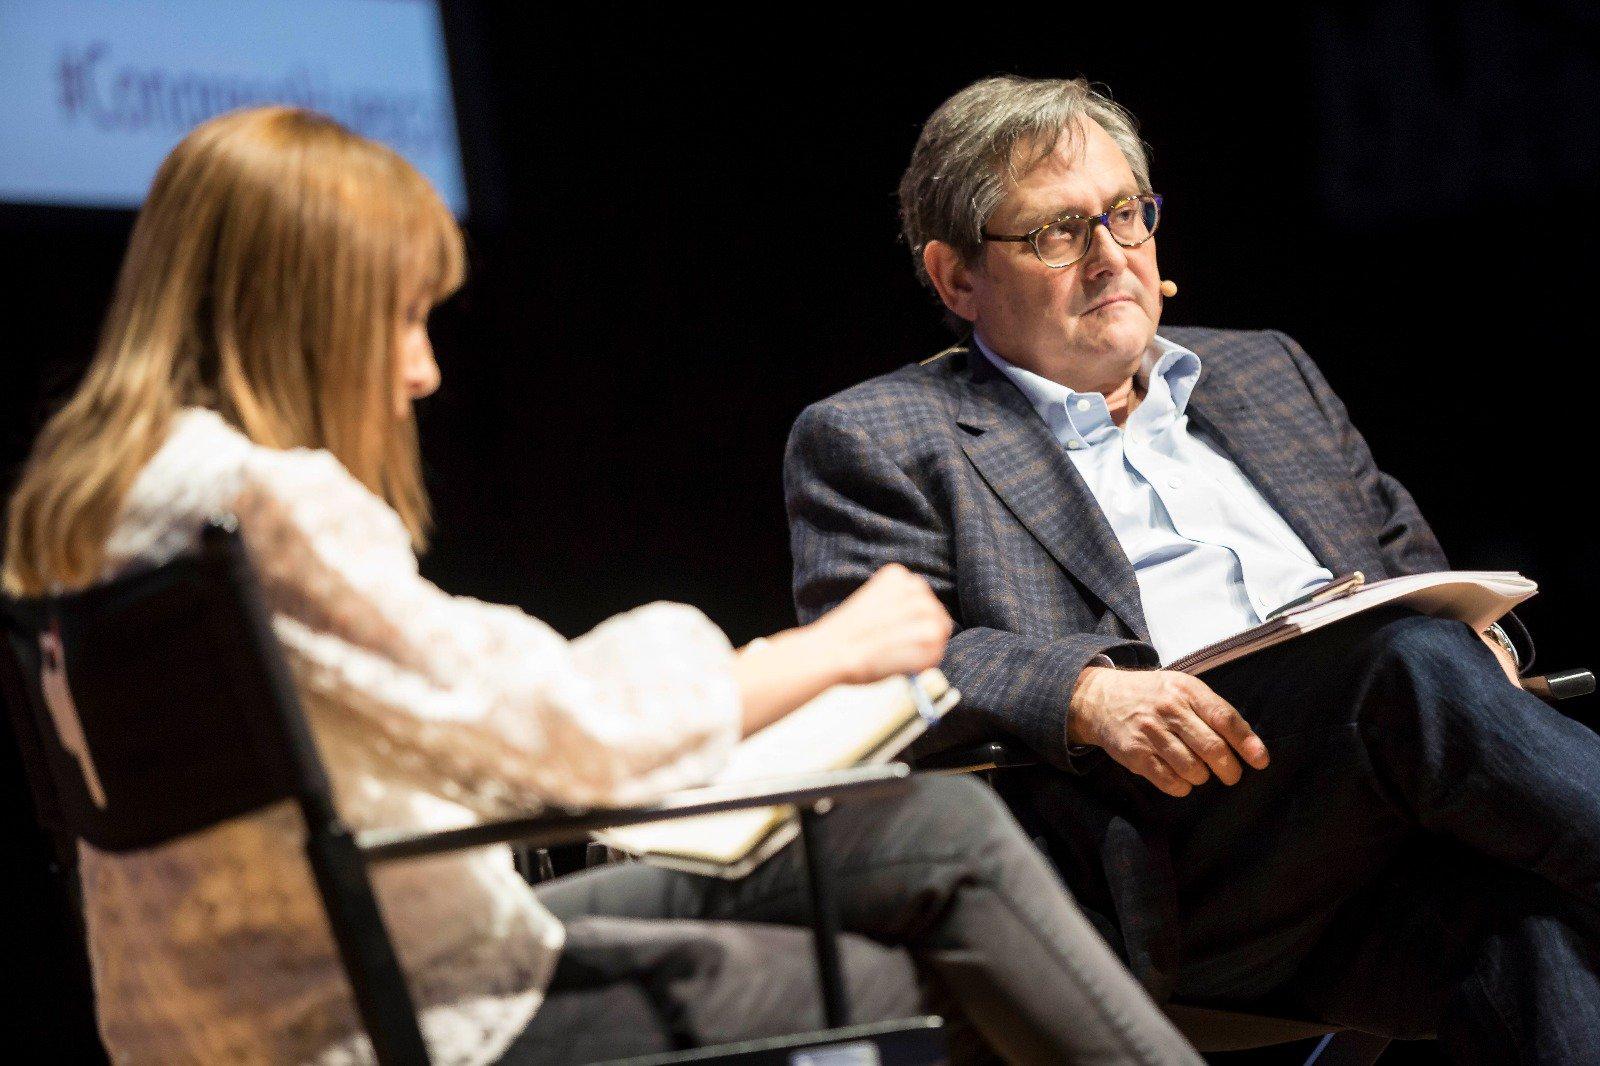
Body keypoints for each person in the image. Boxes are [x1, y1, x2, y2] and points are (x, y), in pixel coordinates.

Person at [2, 107, 1202, 1066]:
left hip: (225, 1011)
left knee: (932, 828)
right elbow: (563, 738)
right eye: (400, 319)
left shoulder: (88, 508)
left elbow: (435, 689)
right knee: (883, 978)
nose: (421, 371)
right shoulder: (265, 503)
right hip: (385, 1009)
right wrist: (822, 652)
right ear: (299, 317)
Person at [784, 74, 1600, 1060]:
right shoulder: (875, 435)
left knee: (1528, 919)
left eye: (1125, 215)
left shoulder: (1266, 371)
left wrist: (1492, 646)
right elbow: (875, 666)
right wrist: (1083, 694)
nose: (1110, 257)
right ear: (958, 278)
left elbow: (1415, 570)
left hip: (1381, 821)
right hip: (1165, 850)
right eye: (1055, 232)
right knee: (1408, 664)